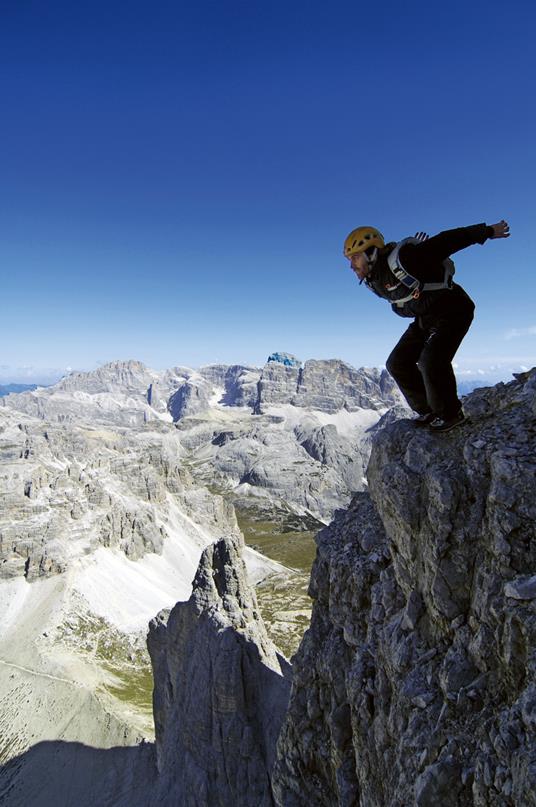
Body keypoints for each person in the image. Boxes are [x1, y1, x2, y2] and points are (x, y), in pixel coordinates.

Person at [344, 220, 510, 432]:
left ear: (371, 252)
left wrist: (487, 231)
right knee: (397, 363)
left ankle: (451, 415)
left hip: (453, 310)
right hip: (425, 318)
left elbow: (447, 241)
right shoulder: (372, 279)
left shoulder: (407, 258)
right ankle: (428, 410)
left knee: (431, 361)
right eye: (350, 259)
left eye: (355, 257)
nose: (351, 265)